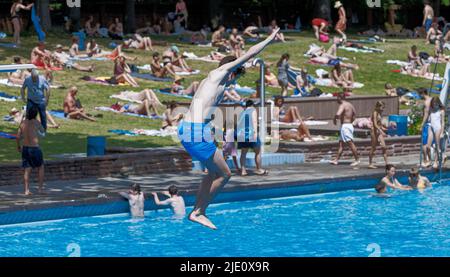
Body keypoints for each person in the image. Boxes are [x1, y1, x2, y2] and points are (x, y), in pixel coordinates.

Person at [178, 29, 280, 229]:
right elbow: (250, 53)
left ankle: (198, 211)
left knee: (211, 172)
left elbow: (205, 113)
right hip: (194, 131)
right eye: (236, 77)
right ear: (232, 70)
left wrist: (213, 137)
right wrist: (269, 39)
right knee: (225, 174)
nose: (234, 82)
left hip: (191, 129)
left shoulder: (217, 85)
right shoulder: (218, 73)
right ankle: (198, 212)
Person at [16, 106, 45, 195]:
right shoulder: (36, 122)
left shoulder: (22, 123)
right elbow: (43, 131)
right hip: (34, 148)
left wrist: (18, 147)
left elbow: (18, 137)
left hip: (25, 148)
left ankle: (26, 190)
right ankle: (40, 189)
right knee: (40, 167)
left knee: (27, 169)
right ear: (35, 114)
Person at [237, 99, 269, 177]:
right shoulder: (253, 110)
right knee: (258, 151)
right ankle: (259, 169)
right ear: (252, 105)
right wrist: (255, 132)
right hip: (250, 133)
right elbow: (254, 121)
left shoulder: (242, 113)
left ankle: (243, 171)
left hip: (241, 133)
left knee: (243, 152)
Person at [330, 93, 360, 166]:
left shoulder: (342, 105)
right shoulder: (350, 105)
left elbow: (338, 114)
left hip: (345, 126)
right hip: (349, 125)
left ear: (340, 98)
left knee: (350, 143)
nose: (336, 99)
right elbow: (354, 114)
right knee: (341, 144)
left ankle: (357, 159)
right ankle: (336, 160)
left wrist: (334, 119)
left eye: (337, 98)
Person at [423, 97, 445, 169]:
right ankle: (429, 160)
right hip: (431, 128)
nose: (434, 104)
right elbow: (427, 116)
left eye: (436, 103)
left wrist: (442, 132)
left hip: (438, 128)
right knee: (428, 146)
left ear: (438, 103)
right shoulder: (431, 110)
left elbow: (442, 123)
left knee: (437, 146)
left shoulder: (441, 111)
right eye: (433, 103)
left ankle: (436, 161)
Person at [368, 101, 388, 169]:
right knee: (373, 147)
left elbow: (379, 124)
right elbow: (375, 124)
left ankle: (387, 163)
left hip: (378, 131)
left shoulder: (380, 113)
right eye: (382, 107)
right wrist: (381, 131)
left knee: (384, 147)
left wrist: (385, 128)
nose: (383, 109)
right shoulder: (375, 113)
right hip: (374, 131)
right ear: (378, 107)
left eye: (383, 107)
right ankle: (370, 163)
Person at [420, 88, 433, 167]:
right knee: (430, 144)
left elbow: (426, 114)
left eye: (419, 95)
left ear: (422, 94)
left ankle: (425, 160)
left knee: (424, 143)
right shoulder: (432, 100)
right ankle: (431, 161)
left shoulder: (426, 102)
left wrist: (422, 124)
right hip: (433, 123)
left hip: (427, 124)